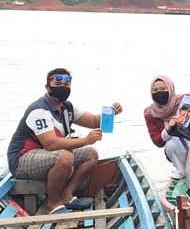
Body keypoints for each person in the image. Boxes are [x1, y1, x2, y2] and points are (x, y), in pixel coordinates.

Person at [7, 68, 123, 215]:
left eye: (66, 85)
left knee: (91, 154)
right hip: (21, 160)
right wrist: (86, 140)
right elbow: (52, 144)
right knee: (64, 157)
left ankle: (66, 194)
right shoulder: (39, 110)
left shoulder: (68, 108)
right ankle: (53, 204)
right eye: (58, 83)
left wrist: (111, 113)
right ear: (47, 87)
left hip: (45, 155)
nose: (62, 87)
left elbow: (94, 121)